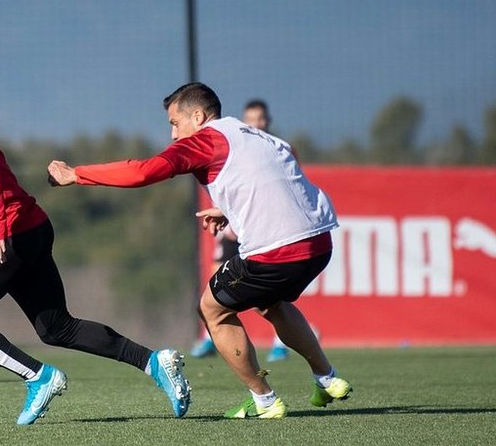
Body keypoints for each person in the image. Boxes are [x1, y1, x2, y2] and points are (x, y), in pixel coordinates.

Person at [0, 41, 191, 425]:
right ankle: (154, 363)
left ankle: (38, 377)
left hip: (5, 238)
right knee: (57, 327)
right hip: (31, 228)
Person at [48, 82, 352, 419]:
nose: (174, 135)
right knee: (270, 303)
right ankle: (327, 377)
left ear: (198, 115)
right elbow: (281, 170)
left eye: (175, 123)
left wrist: (76, 174)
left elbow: (142, 172)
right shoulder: (256, 135)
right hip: (319, 243)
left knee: (212, 310)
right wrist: (228, 209)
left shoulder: (205, 141)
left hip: (275, 251)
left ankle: (265, 400)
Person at [190, 98, 292, 362]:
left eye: (260, 118)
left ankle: (280, 344)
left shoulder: (275, 148)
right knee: (213, 286)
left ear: (267, 121)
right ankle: (208, 338)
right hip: (231, 233)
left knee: (269, 299)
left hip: (262, 233)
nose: (256, 123)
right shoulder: (235, 146)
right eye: (251, 119)